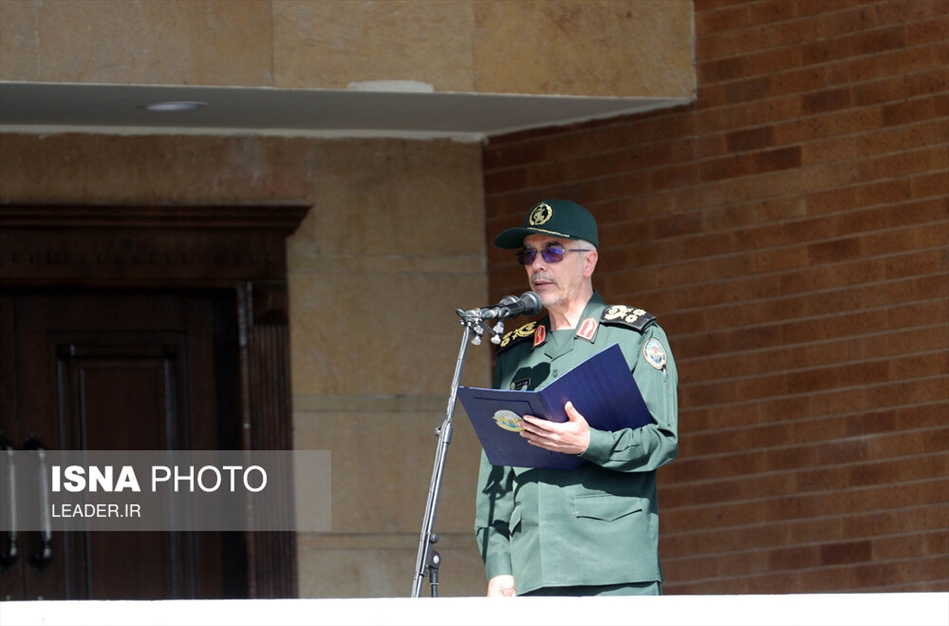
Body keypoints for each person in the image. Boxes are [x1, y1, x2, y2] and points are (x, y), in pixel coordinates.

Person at [474, 199, 679, 597]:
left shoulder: (633, 336)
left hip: (613, 567)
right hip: (534, 569)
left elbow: (662, 440)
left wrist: (589, 442)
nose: (538, 265)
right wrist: (499, 563)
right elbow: (495, 467)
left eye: (553, 251)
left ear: (588, 262)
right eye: (528, 254)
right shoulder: (516, 352)